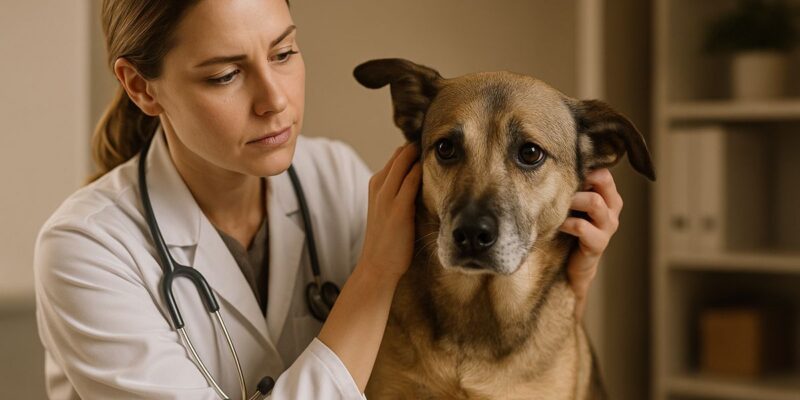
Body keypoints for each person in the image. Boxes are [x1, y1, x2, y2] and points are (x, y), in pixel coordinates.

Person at [33, 0, 625, 398]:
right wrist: (375, 274)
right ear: (141, 88)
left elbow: (487, 346)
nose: (274, 100)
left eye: (283, 53)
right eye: (225, 75)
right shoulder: (85, 249)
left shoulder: (335, 176)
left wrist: (574, 268)